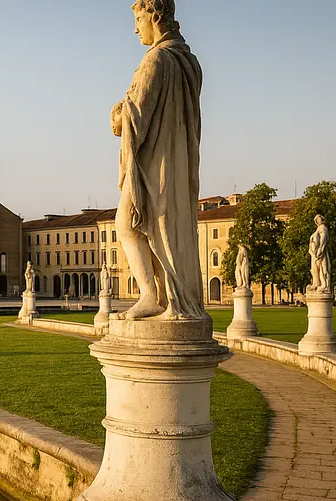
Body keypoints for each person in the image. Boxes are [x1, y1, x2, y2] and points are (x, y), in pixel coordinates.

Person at [112, 0, 205, 320]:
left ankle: (153, 296)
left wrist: (116, 116)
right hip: (176, 163)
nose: (136, 27)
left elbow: (136, 113)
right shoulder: (188, 61)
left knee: (127, 224)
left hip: (154, 166)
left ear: (156, 15)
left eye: (138, 18)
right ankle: (166, 296)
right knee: (164, 230)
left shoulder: (157, 59)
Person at [309, 215, 329, 292]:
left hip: (319, 253)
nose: (317, 221)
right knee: (315, 269)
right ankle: (316, 284)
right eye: (316, 220)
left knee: (322, 269)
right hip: (315, 253)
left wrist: (320, 250)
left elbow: (323, 240)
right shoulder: (319, 229)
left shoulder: (323, 228)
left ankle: (323, 285)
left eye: (318, 219)